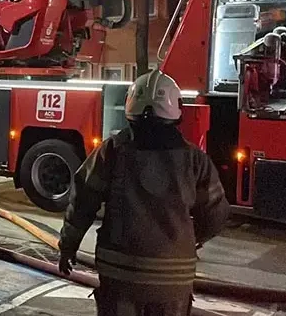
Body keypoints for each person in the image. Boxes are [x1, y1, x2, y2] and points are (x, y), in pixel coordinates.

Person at [58, 71, 230, 316]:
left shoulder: (111, 152)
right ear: (176, 109)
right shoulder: (195, 160)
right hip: (173, 282)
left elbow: (82, 203)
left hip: (120, 280)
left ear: (130, 107)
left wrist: (67, 247)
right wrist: (190, 238)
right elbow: (217, 214)